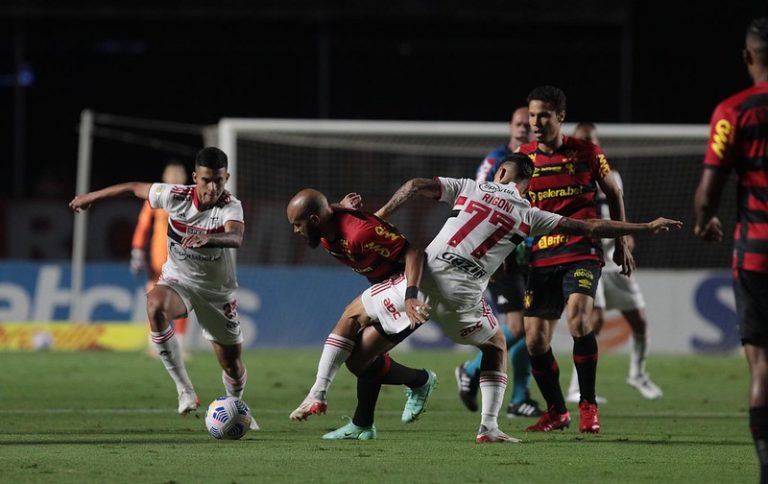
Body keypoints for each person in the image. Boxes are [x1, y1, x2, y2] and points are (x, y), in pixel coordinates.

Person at [316, 154, 681, 443]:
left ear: (503, 173)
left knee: (354, 320)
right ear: (527, 184)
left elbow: (414, 185)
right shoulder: (529, 213)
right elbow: (590, 227)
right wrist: (644, 227)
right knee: (496, 345)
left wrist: (378, 217)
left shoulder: (470, 187)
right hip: (463, 299)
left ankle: (318, 393)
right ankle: (487, 426)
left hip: (424, 281)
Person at [69, 147, 256, 426]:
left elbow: (236, 237)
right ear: (196, 177)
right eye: (206, 180)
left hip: (216, 292)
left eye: (219, 180)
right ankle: (184, 389)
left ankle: (237, 406)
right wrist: (91, 197)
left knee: (231, 363)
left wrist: (211, 239)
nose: (213, 187)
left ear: (226, 177)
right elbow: (133, 188)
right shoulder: (175, 196)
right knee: (154, 303)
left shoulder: (230, 205)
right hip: (177, 280)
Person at [518, 85, 633, 434]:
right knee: (535, 339)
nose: (536, 122)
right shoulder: (523, 158)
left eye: (543, 116)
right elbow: (509, 203)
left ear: (560, 117)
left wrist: (624, 237)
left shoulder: (586, 152)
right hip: (541, 253)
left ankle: (588, 405)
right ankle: (556, 411)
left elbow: (613, 190)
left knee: (579, 321)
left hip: (582, 248)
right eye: (532, 115)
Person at [286, 190, 437, 430]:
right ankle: (415, 385)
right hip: (388, 286)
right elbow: (329, 208)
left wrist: (411, 297)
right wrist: (344, 205)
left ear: (314, 220)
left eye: (297, 224)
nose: (296, 231)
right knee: (359, 361)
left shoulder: (359, 232)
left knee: (351, 314)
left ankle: (317, 393)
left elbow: (414, 253)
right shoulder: (327, 222)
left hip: (410, 284)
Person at [694, 17, 768, 483]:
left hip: (759, 253)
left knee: (762, 363)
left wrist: (704, 222)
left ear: (747, 56)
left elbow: (708, 192)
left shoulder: (734, 110)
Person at [565, 122, 663, 402]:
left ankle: (638, 374)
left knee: (640, 322)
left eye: (591, 140)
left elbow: (619, 209)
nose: (588, 145)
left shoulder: (611, 174)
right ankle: (575, 388)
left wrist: (626, 238)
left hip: (614, 260)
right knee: (590, 321)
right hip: (590, 258)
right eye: (582, 140)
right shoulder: (569, 176)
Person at [456, 106, 544, 418]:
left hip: (534, 254)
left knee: (531, 330)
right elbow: (477, 199)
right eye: (519, 123)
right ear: (510, 126)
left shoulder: (538, 162)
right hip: (505, 257)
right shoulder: (495, 162)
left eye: (528, 124)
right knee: (517, 327)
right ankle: (471, 369)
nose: (524, 129)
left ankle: (520, 397)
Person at [131, 161, 191, 357]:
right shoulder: (156, 196)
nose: (174, 179)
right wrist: (137, 250)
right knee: (155, 298)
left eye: (177, 175)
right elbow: (143, 225)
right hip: (159, 254)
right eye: (170, 175)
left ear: (183, 178)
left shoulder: (191, 199)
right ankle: (155, 344)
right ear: (165, 177)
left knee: (183, 298)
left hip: (182, 255)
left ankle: (180, 346)